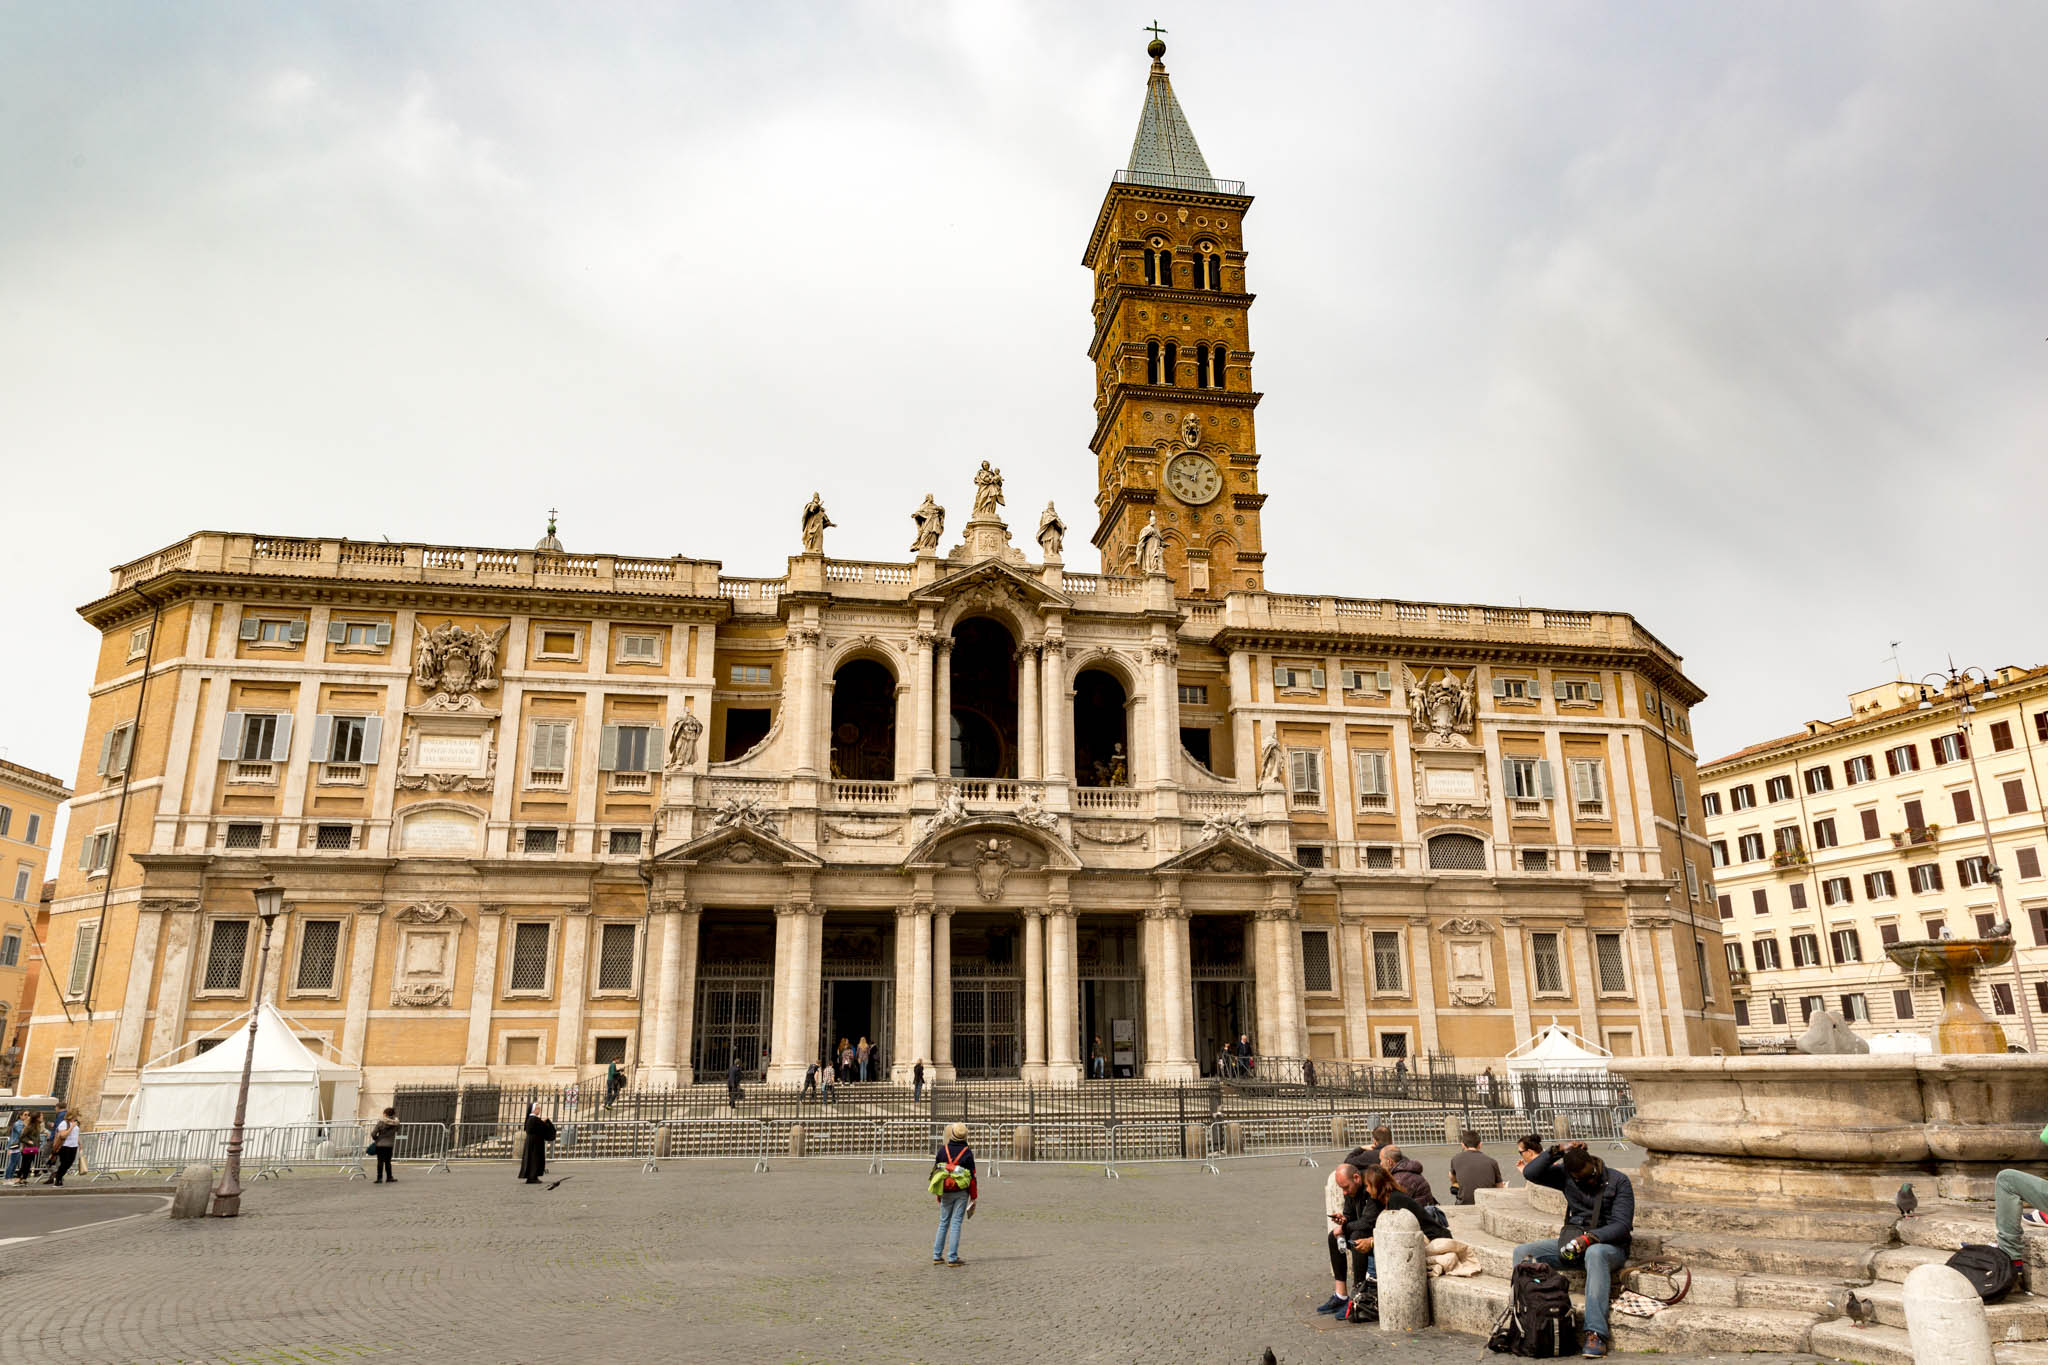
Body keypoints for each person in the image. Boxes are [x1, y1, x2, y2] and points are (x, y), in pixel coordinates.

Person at [1513, 1142, 1635, 1359]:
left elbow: (1622, 1225)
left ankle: (1595, 1333)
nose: (1588, 1181)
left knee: (1595, 1254)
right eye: (1581, 1179)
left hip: (1608, 1247)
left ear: (1594, 1163)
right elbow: (1531, 1173)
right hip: (1573, 1242)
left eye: (1591, 1176)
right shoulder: (1565, 1176)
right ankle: (1527, 1319)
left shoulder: (1619, 1181)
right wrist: (1556, 1150)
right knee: (1524, 1253)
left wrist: (1591, 1238)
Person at [931, 1122, 977, 1267]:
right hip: (961, 1191)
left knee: (943, 1222)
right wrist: (974, 1196)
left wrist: (938, 1193)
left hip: (945, 1189)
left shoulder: (943, 1150)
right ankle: (952, 1257)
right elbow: (973, 1177)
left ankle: (937, 1255)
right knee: (956, 1223)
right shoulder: (967, 1152)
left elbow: (936, 1171)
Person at [1449, 1129, 1505, 1205]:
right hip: (1487, 1203)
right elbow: (1500, 1186)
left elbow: (1452, 1177)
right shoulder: (1492, 1161)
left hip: (1464, 1203)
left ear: (1462, 1145)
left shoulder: (1455, 1159)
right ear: (1480, 1144)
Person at [1380, 1144, 1440, 1211]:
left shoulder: (1400, 1180)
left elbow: (1395, 1207)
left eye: (1381, 1160)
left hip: (1418, 1218)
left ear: (1389, 1162)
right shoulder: (1405, 1172)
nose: (1380, 1164)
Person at [518, 1103, 554, 1184]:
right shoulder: (534, 1119)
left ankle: (531, 1176)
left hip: (532, 1141)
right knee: (534, 1159)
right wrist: (546, 1122)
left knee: (531, 1159)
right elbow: (543, 1128)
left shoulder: (531, 1119)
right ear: (534, 1110)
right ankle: (532, 1177)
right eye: (538, 1108)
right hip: (535, 1142)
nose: (539, 1109)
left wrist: (542, 1122)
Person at [50, 1108, 82, 1187]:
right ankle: (58, 1179)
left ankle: (59, 1176)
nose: (76, 1117)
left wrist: (80, 1144)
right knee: (64, 1163)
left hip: (74, 1146)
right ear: (71, 1116)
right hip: (65, 1146)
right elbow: (63, 1135)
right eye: (75, 1116)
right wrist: (71, 1127)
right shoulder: (64, 1123)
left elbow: (76, 1134)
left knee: (69, 1163)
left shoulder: (76, 1124)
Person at [369, 1107, 400, 1184]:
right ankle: (389, 1177)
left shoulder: (381, 1122)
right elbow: (397, 1130)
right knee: (388, 1162)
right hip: (389, 1145)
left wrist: (376, 1138)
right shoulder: (396, 1123)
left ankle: (379, 1178)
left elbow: (373, 1133)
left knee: (380, 1161)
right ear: (393, 1114)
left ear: (385, 1114)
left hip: (380, 1144)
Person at [12, 1112, 42, 1186]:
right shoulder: (30, 1126)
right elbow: (22, 1137)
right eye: (41, 1116)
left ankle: (24, 1179)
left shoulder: (37, 1126)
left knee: (28, 1164)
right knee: (25, 1164)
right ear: (37, 1118)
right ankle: (18, 1179)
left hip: (33, 1148)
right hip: (28, 1148)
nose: (42, 1118)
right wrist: (29, 1141)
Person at [2, 1110, 23, 1184]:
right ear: (20, 1116)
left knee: (14, 1162)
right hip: (15, 1145)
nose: (27, 1116)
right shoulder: (18, 1124)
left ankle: (9, 1178)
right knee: (12, 1162)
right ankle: (7, 1178)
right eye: (25, 1115)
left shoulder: (20, 1123)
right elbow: (21, 1132)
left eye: (28, 1115)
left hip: (16, 1145)